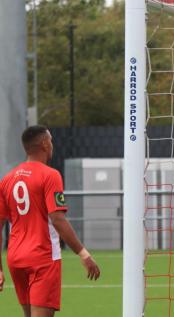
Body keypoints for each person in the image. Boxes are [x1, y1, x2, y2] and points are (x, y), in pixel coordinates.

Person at [0, 125, 100, 317]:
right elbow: (57, 219)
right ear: (45, 143)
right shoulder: (50, 175)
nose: (52, 144)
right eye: (51, 140)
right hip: (42, 257)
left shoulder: (7, 179)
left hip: (15, 258)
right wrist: (84, 254)